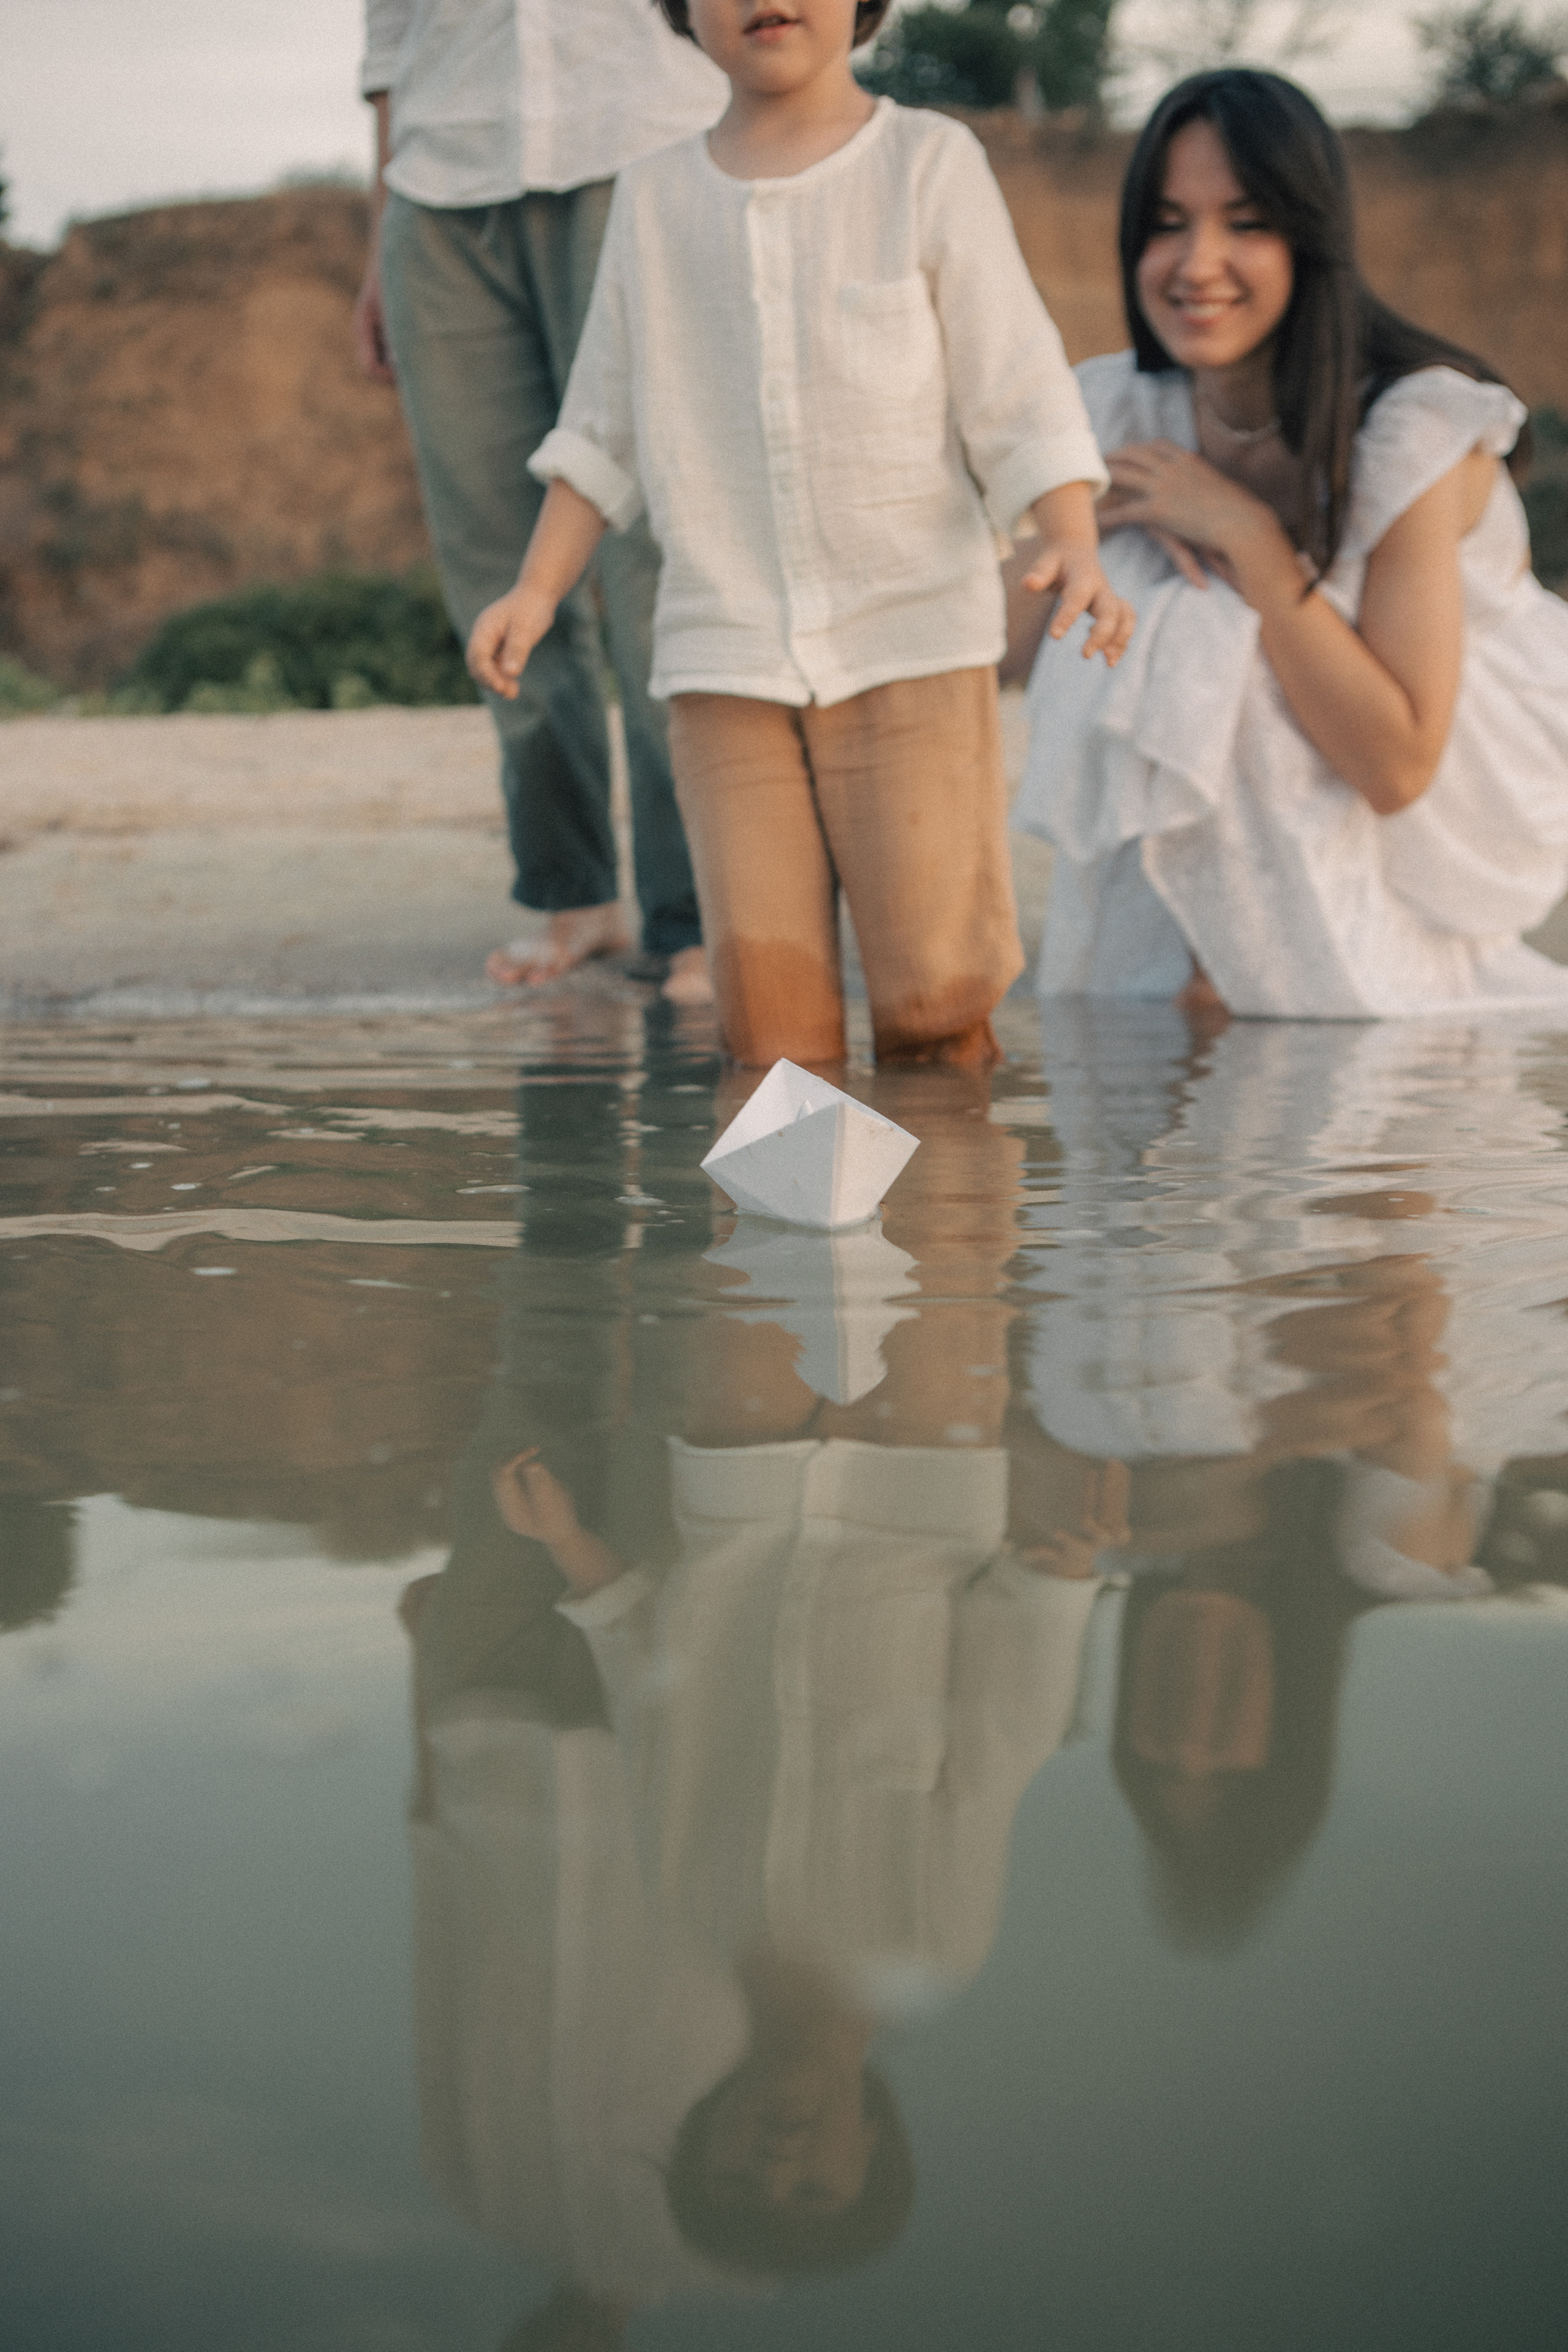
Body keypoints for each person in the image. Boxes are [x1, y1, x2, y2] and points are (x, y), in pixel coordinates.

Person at [467, 0, 1134, 1069]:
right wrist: (536, 592)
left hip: (912, 650)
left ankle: (952, 1228)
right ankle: (789, 1236)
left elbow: (1016, 387)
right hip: (724, 666)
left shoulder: (927, 162)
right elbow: (601, 426)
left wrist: (1075, 542)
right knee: (771, 1040)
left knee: (937, 1003)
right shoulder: (654, 196)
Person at [1010, 69, 1568, 1020]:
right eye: (1168, 222)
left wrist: (1248, 538)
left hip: (1421, 858)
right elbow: (997, 648)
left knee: (1214, 614)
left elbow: (1396, 768)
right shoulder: (1120, 408)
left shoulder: (1411, 425)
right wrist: (1084, 528)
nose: (1197, 264)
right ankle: (1178, 997)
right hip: (1191, 944)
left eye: (1248, 222)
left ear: (1312, 239)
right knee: (1159, 585)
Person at [354, 1, 725, 1001]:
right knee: (493, 562)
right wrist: (382, 226)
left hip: (645, 143)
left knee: (654, 561)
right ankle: (576, 892)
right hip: (437, 189)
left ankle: (697, 910)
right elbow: (391, 35)